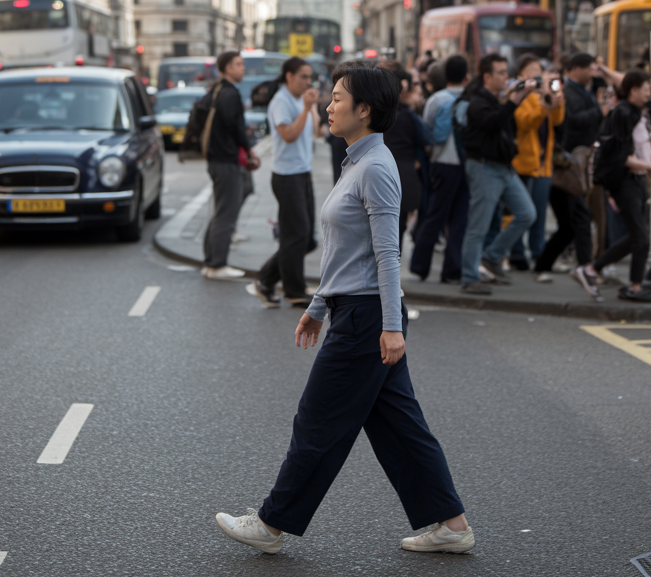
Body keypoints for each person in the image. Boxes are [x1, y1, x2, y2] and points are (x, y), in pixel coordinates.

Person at [214, 64, 473, 555]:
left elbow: (386, 253)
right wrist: (317, 304)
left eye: (337, 98)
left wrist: (392, 328)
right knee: (401, 426)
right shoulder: (356, 161)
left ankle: (271, 524)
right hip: (356, 309)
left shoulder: (375, 167)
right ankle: (453, 525)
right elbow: (345, 253)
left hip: (368, 318)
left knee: (317, 419)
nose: (327, 106)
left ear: (365, 109)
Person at [459, 54, 537, 296]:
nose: (506, 76)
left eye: (506, 71)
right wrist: (513, 101)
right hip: (484, 168)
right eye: (501, 73)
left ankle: (492, 257)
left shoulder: (497, 99)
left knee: (527, 214)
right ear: (487, 77)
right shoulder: (477, 102)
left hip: (504, 167)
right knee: (478, 226)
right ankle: (470, 276)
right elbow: (493, 123)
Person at [573, 71, 651, 301]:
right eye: (645, 88)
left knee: (640, 235)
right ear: (632, 90)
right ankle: (632, 285)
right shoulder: (623, 113)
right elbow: (622, 156)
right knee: (640, 236)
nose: (649, 92)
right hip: (625, 182)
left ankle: (592, 270)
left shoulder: (637, 113)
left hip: (637, 180)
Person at [253, 58, 319, 309]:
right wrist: (306, 108)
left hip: (302, 172)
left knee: (307, 238)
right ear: (289, 76)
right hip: (286, 175)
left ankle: (267, 278)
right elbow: (288, 135)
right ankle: (293, 290)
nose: (307, 81)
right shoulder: (281, 101)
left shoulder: (299, 99)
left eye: (309, 77)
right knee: (296, 235)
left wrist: (309, 107)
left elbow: (317, 131)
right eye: (303, 76)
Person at [532, 53, 604, 280]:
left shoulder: (573, 93)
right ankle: (584, 267)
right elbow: (566, 125)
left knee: (571, 223)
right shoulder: (545, 98)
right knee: (575, 219)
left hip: (566, 163)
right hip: (561, 164)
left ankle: (546, 264)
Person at [409, 55, 470, 284]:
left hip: (440, 164)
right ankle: (452, 270)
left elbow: (426, 131)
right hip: (464, 166)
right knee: (459, 220)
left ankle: (419, 265)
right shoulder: (470, 99)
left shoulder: (436, 100)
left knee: (435, 216)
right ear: (466, 75)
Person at [202, 51, 260, 280]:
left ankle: (210, 261)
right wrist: (250, 151)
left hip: (215, 159)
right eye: (237, 64)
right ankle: (217, 265)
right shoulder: (231, 94)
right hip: (226, 160)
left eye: (242, 64)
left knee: (221, 211)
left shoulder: (215, 91)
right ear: (225, 69)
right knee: (226, 214)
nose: (242, 68)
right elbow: (236, 129)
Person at [511, 55, 565, 281]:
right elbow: (526, 122)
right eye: (531, 71)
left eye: (538, 70)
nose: (536, 74)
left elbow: (557, 120)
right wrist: (544, 104)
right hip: (524, 164)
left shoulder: (543, 94)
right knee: (524, 213)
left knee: (540, 214)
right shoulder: (521, 96)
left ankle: (537, 252)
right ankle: (517, 254)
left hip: (543, 164)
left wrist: (557, 100)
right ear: (521, 75)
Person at [382, 64, 431, 252]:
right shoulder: (407, 116)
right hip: (403, 177)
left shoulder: (379, 113)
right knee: (397, 230)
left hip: (385, 175)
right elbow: (426, 139)